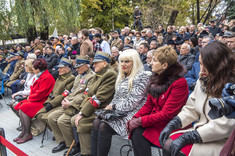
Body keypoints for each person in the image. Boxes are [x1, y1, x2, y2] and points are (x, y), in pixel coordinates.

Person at [159, 41, 235, 156]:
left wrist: (190, 137)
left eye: (207, 66)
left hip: (223, 140)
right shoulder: (204, 79)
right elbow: (191, 108)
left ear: (220, 66)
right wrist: (174, 123)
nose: (202, 70)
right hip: (202, 130)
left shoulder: (231, 87)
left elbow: (226, 125)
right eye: (200, 64)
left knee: (178, 150)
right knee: (168, 143)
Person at [127, 45, 189, 156]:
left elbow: (167, 114)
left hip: (171, 125)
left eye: (154, 61)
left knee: (140, 130)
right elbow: (149, 104)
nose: (150, 63)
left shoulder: (179, 83)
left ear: (165, 65)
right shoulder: (156, 78)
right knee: (136, 131)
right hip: (157, 121)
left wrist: (141, 121)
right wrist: (135, 118)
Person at [90, 49, 151, 156]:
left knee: (104, 126)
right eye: (121, 61)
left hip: (133, 114)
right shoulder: (123, 76)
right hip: (119, 112)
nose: (123, 64)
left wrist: (112, 106)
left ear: (135, 62)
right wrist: (110, 107)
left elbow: (132, 102)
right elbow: (116, 97)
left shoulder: (142, 77)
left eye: (127, 61)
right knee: (96, 122)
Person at [71, 51, 117, 156]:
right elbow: (88, 93)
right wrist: (81, 111)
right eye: (94, 62)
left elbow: (98, 98)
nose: (94, 65)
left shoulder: (109, 74)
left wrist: (82, 113)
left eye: (97, 62)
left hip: (102, 108)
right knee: (74, 119)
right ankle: (82, 149)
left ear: (105, 63)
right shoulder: (99, 73)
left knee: (81, 122)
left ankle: (87, 153)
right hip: (94, 107)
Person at [47, 56, 95, 155]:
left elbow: (85, 96)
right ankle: (62, 141)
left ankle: (73, 145)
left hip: (78, 105)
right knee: (51, 117)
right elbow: (72, 92)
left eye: (79, 67)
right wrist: (66, 99)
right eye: (76, 67)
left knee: (62, 120)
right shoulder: (78, 76)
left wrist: (70, 103)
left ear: (86, 66)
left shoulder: (91, 76)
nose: (76, 69)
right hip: (70, 102)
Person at [13, 58, 55, 144]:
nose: (33, 70)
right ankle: (25, 131)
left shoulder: (46, 77)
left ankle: (27, 133)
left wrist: (29, 98)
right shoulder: (41, 75)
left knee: (23, 107)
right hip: (37, 99)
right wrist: (30, 97)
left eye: (34, 68)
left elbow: (41, 94)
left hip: (43, 101)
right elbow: (35, 90)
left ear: (38, 69)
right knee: (21, 106)